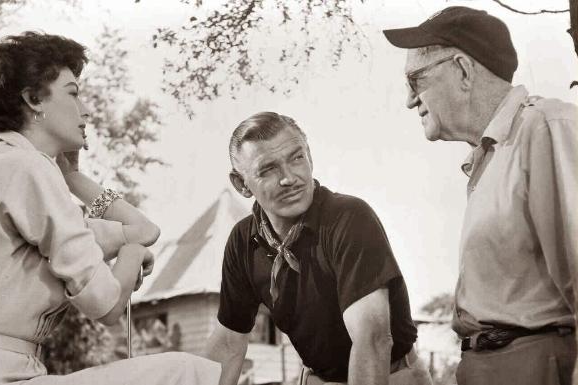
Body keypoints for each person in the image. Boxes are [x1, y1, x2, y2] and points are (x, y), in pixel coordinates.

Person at [0, 32, 220, 384]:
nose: (86, 110)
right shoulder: (25, 168)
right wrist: (131, 254)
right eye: (74, 94)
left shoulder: (2, 167)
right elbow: (107, 305)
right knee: (189, 372)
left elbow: (144, 230)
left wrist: (74, 178)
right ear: (34, 99)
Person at [383, 6, 578, 385]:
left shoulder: (545, 128)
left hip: (533, 365)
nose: (409, 99)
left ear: (463, 70)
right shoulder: (490, 157)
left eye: (415, 80)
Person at [203, 111, 433, 385]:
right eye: (268, 169)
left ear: (310, 156)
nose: (289, 178)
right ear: (241, 184)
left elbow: (372, 339)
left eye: (296, 158)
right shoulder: (242, 241)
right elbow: (229, 344)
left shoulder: (349, 218)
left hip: (389, 376)